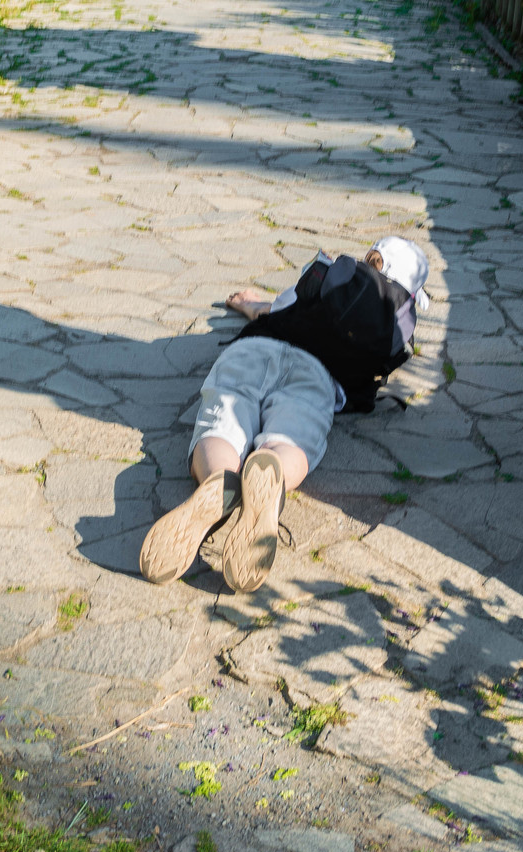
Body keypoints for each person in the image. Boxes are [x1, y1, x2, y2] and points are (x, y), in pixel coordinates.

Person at [141, 238, 433, 593]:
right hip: (317, 376)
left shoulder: (333, 277)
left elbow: (276, 308)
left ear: (372, 259)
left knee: (223, 420)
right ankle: (272, 473)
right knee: (293, 438)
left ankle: (218, 479)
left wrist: (251, 305)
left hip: (255, 350)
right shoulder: (391, 324)